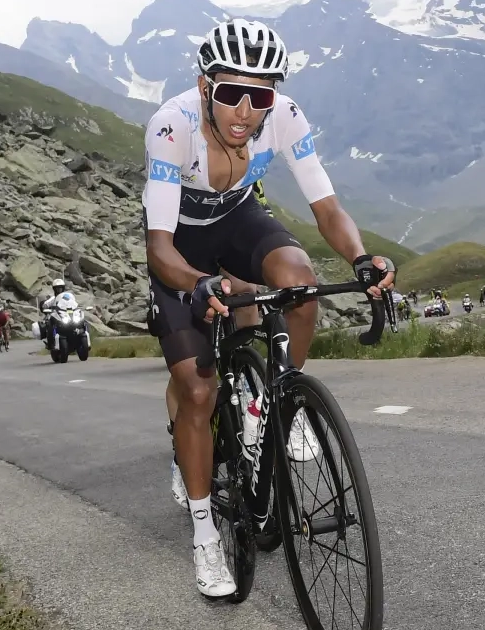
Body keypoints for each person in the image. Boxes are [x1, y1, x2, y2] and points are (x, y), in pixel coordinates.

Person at [142, 18, 395, 598]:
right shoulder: (171, 126)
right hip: (180, 243)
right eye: (233, 92)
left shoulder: (285, 117)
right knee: (198, 392)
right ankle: (205, 534)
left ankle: (277, 403)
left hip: (237, 220)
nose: (246, 111)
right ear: (205, 86)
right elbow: (159, 248)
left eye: (260, 96)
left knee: (299, 281)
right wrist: (200, 283)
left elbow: (326, 207)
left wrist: (361, 258)